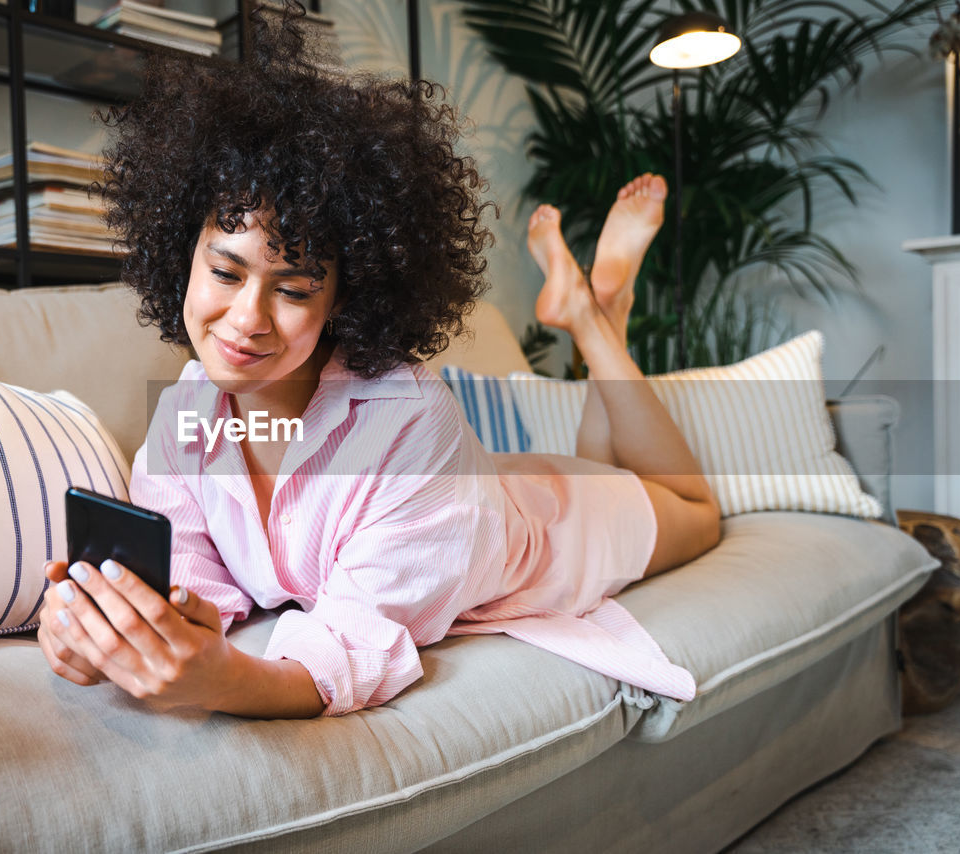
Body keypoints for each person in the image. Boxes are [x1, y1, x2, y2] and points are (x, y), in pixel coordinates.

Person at [35, 5, 720, 718]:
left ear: (344, 295)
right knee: (606, 461)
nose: (246, 319)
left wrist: (223, 680)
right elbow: (189, 577)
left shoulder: (410, 421)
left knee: (697, 510)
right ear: (184, 258)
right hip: (479, 492)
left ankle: (596, 321)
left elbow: (349, 648)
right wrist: (108, 633)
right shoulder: (185, 414)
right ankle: (600, 307)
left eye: (294, 289)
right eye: (227, 273)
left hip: (551, 528)